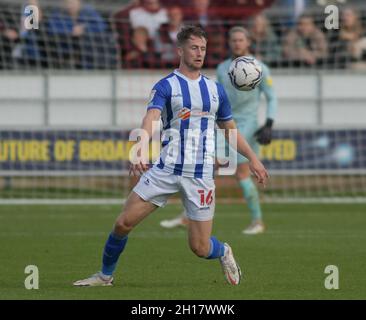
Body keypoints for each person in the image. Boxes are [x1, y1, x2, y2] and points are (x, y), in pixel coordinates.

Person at [73, 25, 268, 287]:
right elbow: (151, 117)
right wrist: (140, 146)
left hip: (200, 176)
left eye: (203, 49)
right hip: (165, 169)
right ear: (180, 50)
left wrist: (253, 159)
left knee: (200, 247)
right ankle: (105, 276)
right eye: (194, 48)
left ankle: (223, 251)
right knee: (123, 223)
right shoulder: (166, 86)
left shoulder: (215, 90)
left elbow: (230, 131)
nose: (199, 53)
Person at [160, 26, 277, 235]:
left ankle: (257, 221)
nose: (237, 44)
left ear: (248, 42)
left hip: (248, 126)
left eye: (241, 40)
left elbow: (272, 97)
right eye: (234, 40)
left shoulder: (259, 67)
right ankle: (188, 216)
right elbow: (219, 98)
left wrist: (269, 123)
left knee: (241, 173)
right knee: (203, 166)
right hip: (223, 124)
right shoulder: (223, 68)